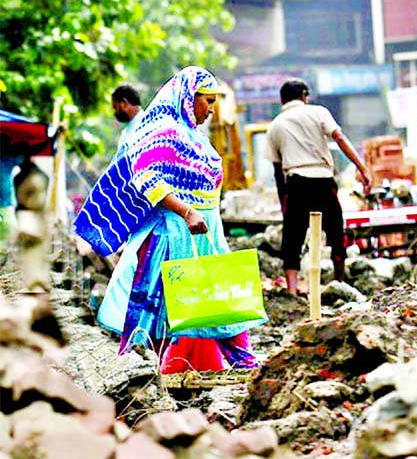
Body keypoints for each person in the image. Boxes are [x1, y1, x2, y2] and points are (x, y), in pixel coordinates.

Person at [74, 66, 259, 373]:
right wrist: (186, 211)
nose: (211, 109)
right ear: (188, 98)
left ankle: (237, 365)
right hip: (172, 231)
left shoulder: (189, 133)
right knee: (175, 304)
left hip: (200, 230)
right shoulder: (165, 131)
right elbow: (146, 178)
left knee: (209, 297)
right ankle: (231, 366)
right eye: (207, 101)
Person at [267, 79, 372, 296]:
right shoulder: (319, 112)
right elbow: (339, 138)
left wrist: (283, 202)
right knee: (335, 231)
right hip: (323, 181)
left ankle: (293, 290)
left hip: (296, 183)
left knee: (292, 238)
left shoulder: (275, 125)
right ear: (304, 95)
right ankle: (339, 282)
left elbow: (278, 171)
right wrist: (362, 168)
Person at [111, 84, 144, 149]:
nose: (115, 113)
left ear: (124, 103)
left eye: (115, 107)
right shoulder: (125, 133)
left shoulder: (147, 124)